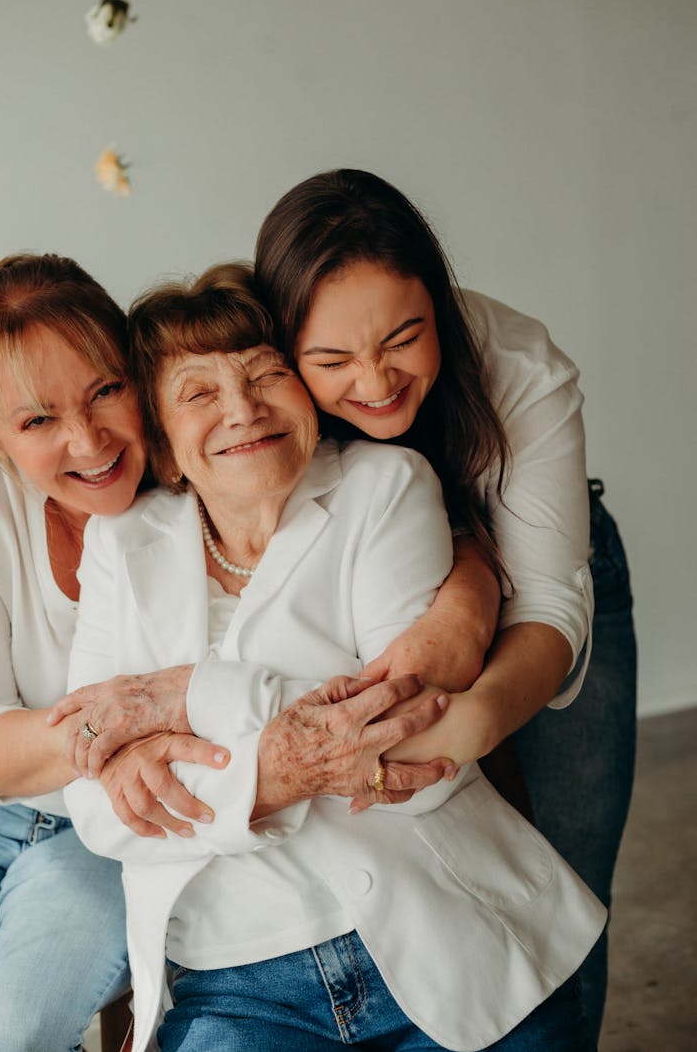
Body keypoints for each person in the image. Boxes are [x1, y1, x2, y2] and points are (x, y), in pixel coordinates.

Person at [63, 263, 605, 1052]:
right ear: (167, 449)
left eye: (263, 374)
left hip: (443, 933)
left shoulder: (384, 488)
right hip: (239, 981)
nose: (242, 409)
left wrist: (189, 701)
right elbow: (96, 808)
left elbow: (413, 761)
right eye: (200, 393)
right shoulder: (120, 545)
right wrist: (286, 762)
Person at [0, 253, 446, 1052]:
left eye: (106, 392)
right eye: (37, 420)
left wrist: (174, 702)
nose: (86, 439)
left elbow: (384, 716)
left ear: (139, 386)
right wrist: (107, 738)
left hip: (105, 836)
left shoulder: (222, 474)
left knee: (8, 1033)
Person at [253, 166, 638, 1038]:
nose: (376, 379)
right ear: (281, 349)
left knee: (567, 882)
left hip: (555, 591)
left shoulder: (520, 363)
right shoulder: (255, 387)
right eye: (332, 360)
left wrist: (476, 721)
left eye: (404, 337)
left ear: (440, 305)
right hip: (398, 604)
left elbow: (545, 602)